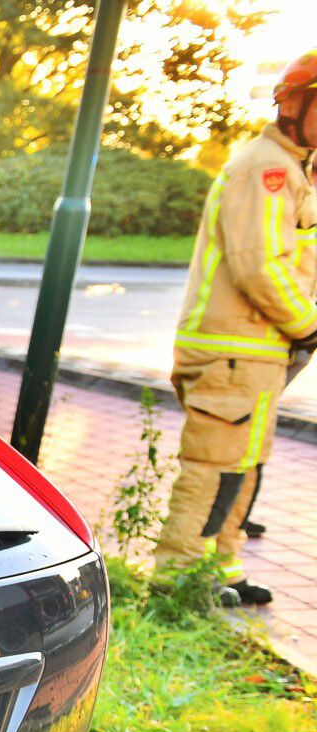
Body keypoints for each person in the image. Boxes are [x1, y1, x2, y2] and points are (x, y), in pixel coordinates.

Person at [153, 49, 317, 606]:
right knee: (212, 468)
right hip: (233, 350)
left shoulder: (292, 167)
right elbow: (259, 264)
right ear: (293, 105)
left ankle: (220, 568)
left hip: (255, 351)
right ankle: (176, 580)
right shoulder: (266, 169)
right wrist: (309, 325)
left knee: (242, 467)